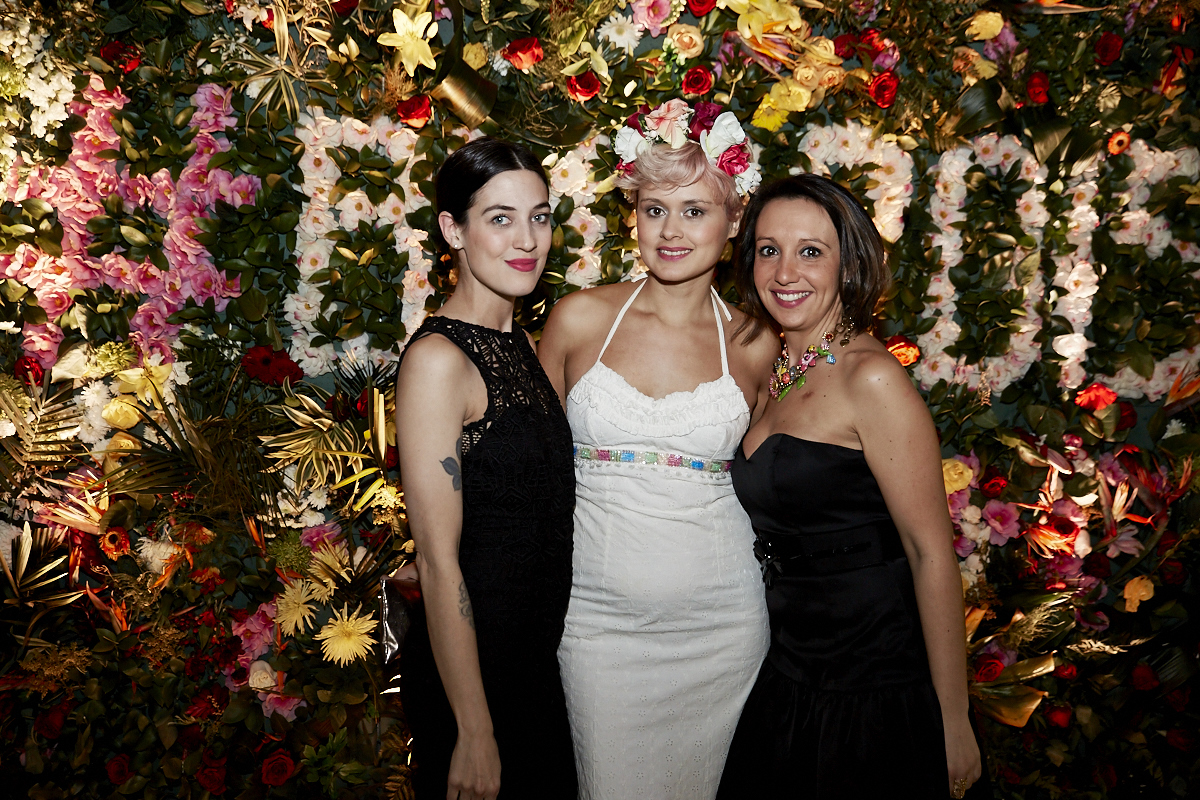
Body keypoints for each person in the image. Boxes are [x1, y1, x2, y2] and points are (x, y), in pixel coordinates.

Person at [715, 174, 984, 799]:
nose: (786, 272)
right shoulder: (774, 369)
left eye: (811, 251)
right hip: (791, 665)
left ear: (847, 263)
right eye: (769, 249)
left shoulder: (870, 377)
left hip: (876, 676)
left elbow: (930, 553)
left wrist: (952, 717)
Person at [537, 99, 775, 800]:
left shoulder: (758, 342)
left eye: (696, 211)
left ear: (733, 223)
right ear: (632, 214)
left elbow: (782, 483)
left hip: (723, 630)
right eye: (654, 209)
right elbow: (532, 474)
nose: (671, 231)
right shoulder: (580, 319)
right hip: (598, 628)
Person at [394, 137, 577, 800]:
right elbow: (440, 563)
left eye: (540, 216)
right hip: (474, 678)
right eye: (500, 218)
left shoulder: (521, 344)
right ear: (453, 230)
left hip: (535, 666)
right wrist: (474, 729)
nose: (526, 238)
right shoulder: (439, 361)